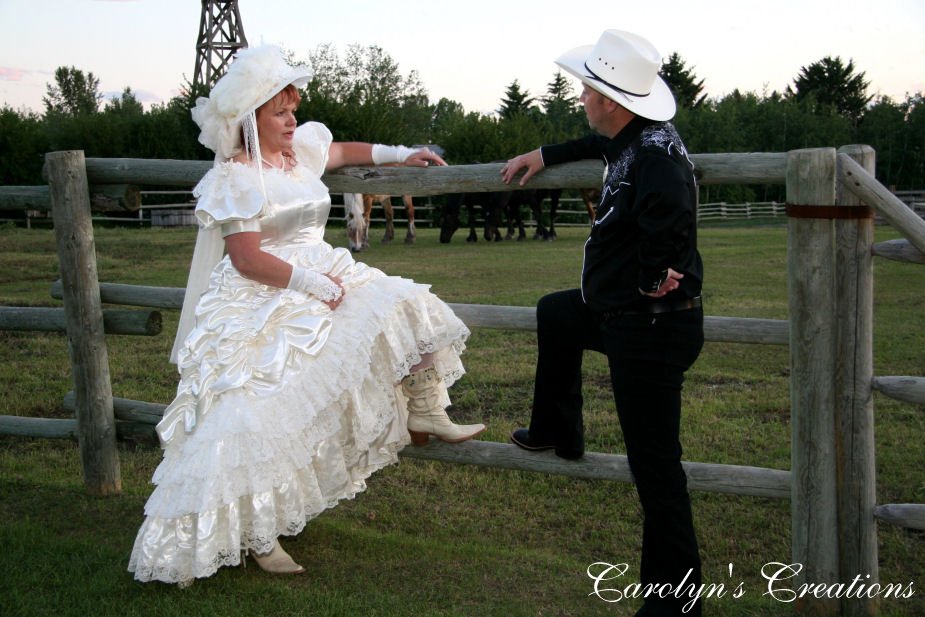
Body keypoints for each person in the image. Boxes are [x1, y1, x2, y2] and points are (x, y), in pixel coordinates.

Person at [128, 44, 484, 587]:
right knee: (257, 415)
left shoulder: (300, 154)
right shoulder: (237, 176)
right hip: (264, 291)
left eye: (294, 109)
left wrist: (399, 153)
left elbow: (342, 149)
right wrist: (310, 284)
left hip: (326, 275)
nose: (293, 120)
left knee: (411, 303)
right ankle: (258, 532)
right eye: (281, 112)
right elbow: (246, 258)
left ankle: (426, 407)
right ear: (252, 121)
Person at [500, 30, 704, 617]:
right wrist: (547, 155)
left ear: (610, 100)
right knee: (557, 313)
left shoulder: (658, 158)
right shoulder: (632, 136)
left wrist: (648, 278)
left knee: (656, 469)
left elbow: (669, 220)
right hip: (625, 317)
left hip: (652, 327)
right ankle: (558, 429)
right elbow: (595, 144)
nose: (582, 97)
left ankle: (674, 604)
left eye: (587, 89)